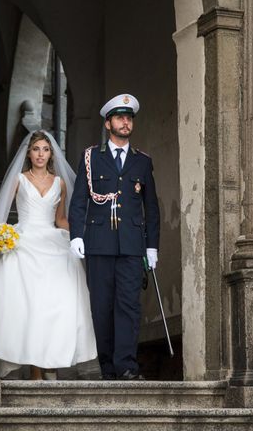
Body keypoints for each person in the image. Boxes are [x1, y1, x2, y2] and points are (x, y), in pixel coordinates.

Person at [0, 130, 97, 380]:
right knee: (29, 307)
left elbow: (60, 219)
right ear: (29, 152)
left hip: (52, 242)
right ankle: (36, 369)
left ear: (51, 154)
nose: (40, 154)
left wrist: (85, 232)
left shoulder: (59, 182)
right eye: (36, 149)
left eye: (45, 150)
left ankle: (53, 362)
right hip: (24, 242)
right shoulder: (18, 178)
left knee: (57, 305)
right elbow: (2, 214)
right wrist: (2, 236)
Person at [68, 94, 160, 380]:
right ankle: (108, 368)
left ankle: (127, 367)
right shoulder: (92, 157)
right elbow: (80, 200)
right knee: (102, 307)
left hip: (132, 247)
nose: (125, 122)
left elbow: (152, 208)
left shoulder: (142, 162)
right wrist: (76, 235)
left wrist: (152, 246)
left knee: (129, 307)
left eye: (129, 118)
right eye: (120, 118)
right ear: (108, 123)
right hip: (99, 243)